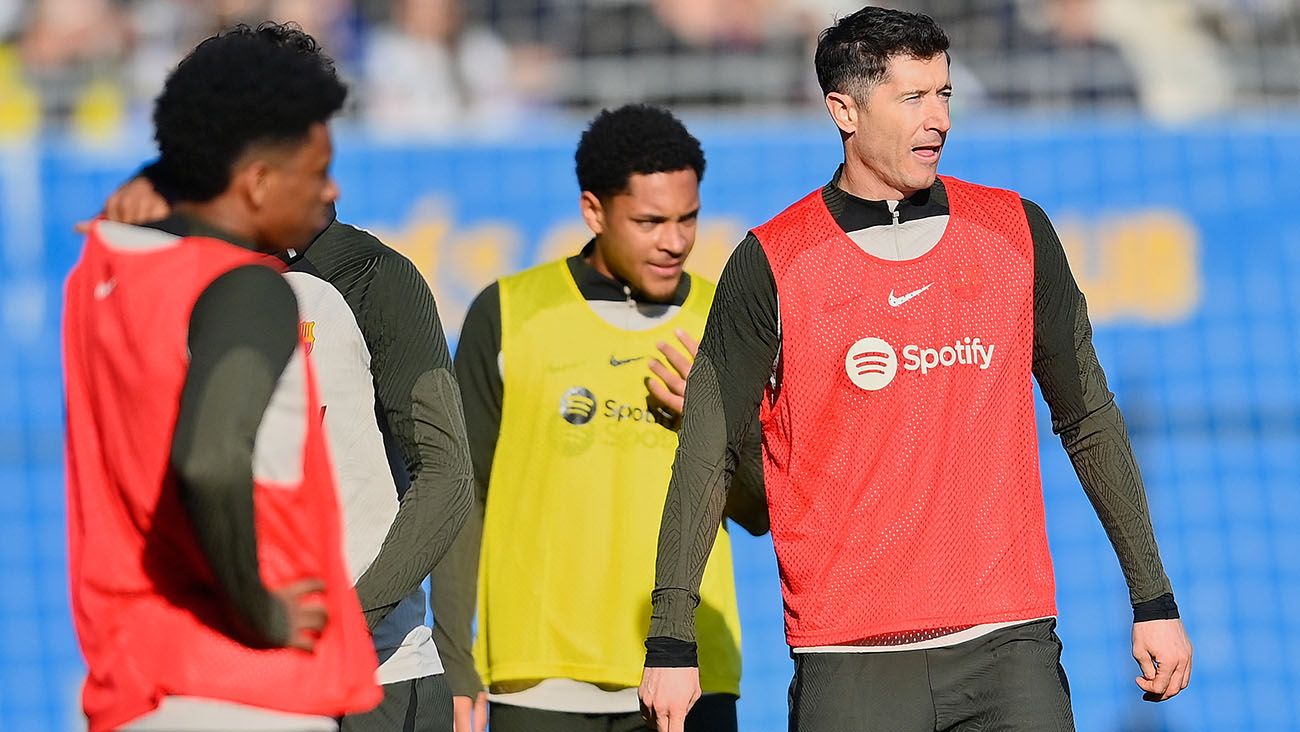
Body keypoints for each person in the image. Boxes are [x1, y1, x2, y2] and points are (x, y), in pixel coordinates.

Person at [638, 7, 1193, 732]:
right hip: (848, 662)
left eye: (945, 94)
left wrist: (1153, 601)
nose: (938, 120)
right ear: (843, 108)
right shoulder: (773, 262)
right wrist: (672, 641)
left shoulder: (1015, 232)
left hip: (1010, 653)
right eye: (912, 98)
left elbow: (1088, 419)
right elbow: (705, 456)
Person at [93, 77, 479, 732]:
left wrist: (348, 620)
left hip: (373, 676)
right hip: (225, 676)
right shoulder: (175, 271)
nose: (331, 186)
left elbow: (448, 477)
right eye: (312, 165)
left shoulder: (373, 279)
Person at [62, 23, 381, 732]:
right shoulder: (250, 291)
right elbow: (207, 459)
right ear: (259, 180)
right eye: (317, 166)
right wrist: (262, 609)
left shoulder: (100, 272)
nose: (330, 187)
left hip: (134, 681)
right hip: (248, 688)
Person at [438, 104, 768, 732]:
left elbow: (760, 512)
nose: (674, 241)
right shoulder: (508, 313)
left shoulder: (722, 320)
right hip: (541, 679)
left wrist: (710, 431)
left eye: (688, 219)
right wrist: (455, 654)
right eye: (649, 221)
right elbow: (461, 494)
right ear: (594, 211)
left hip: (687, 672)